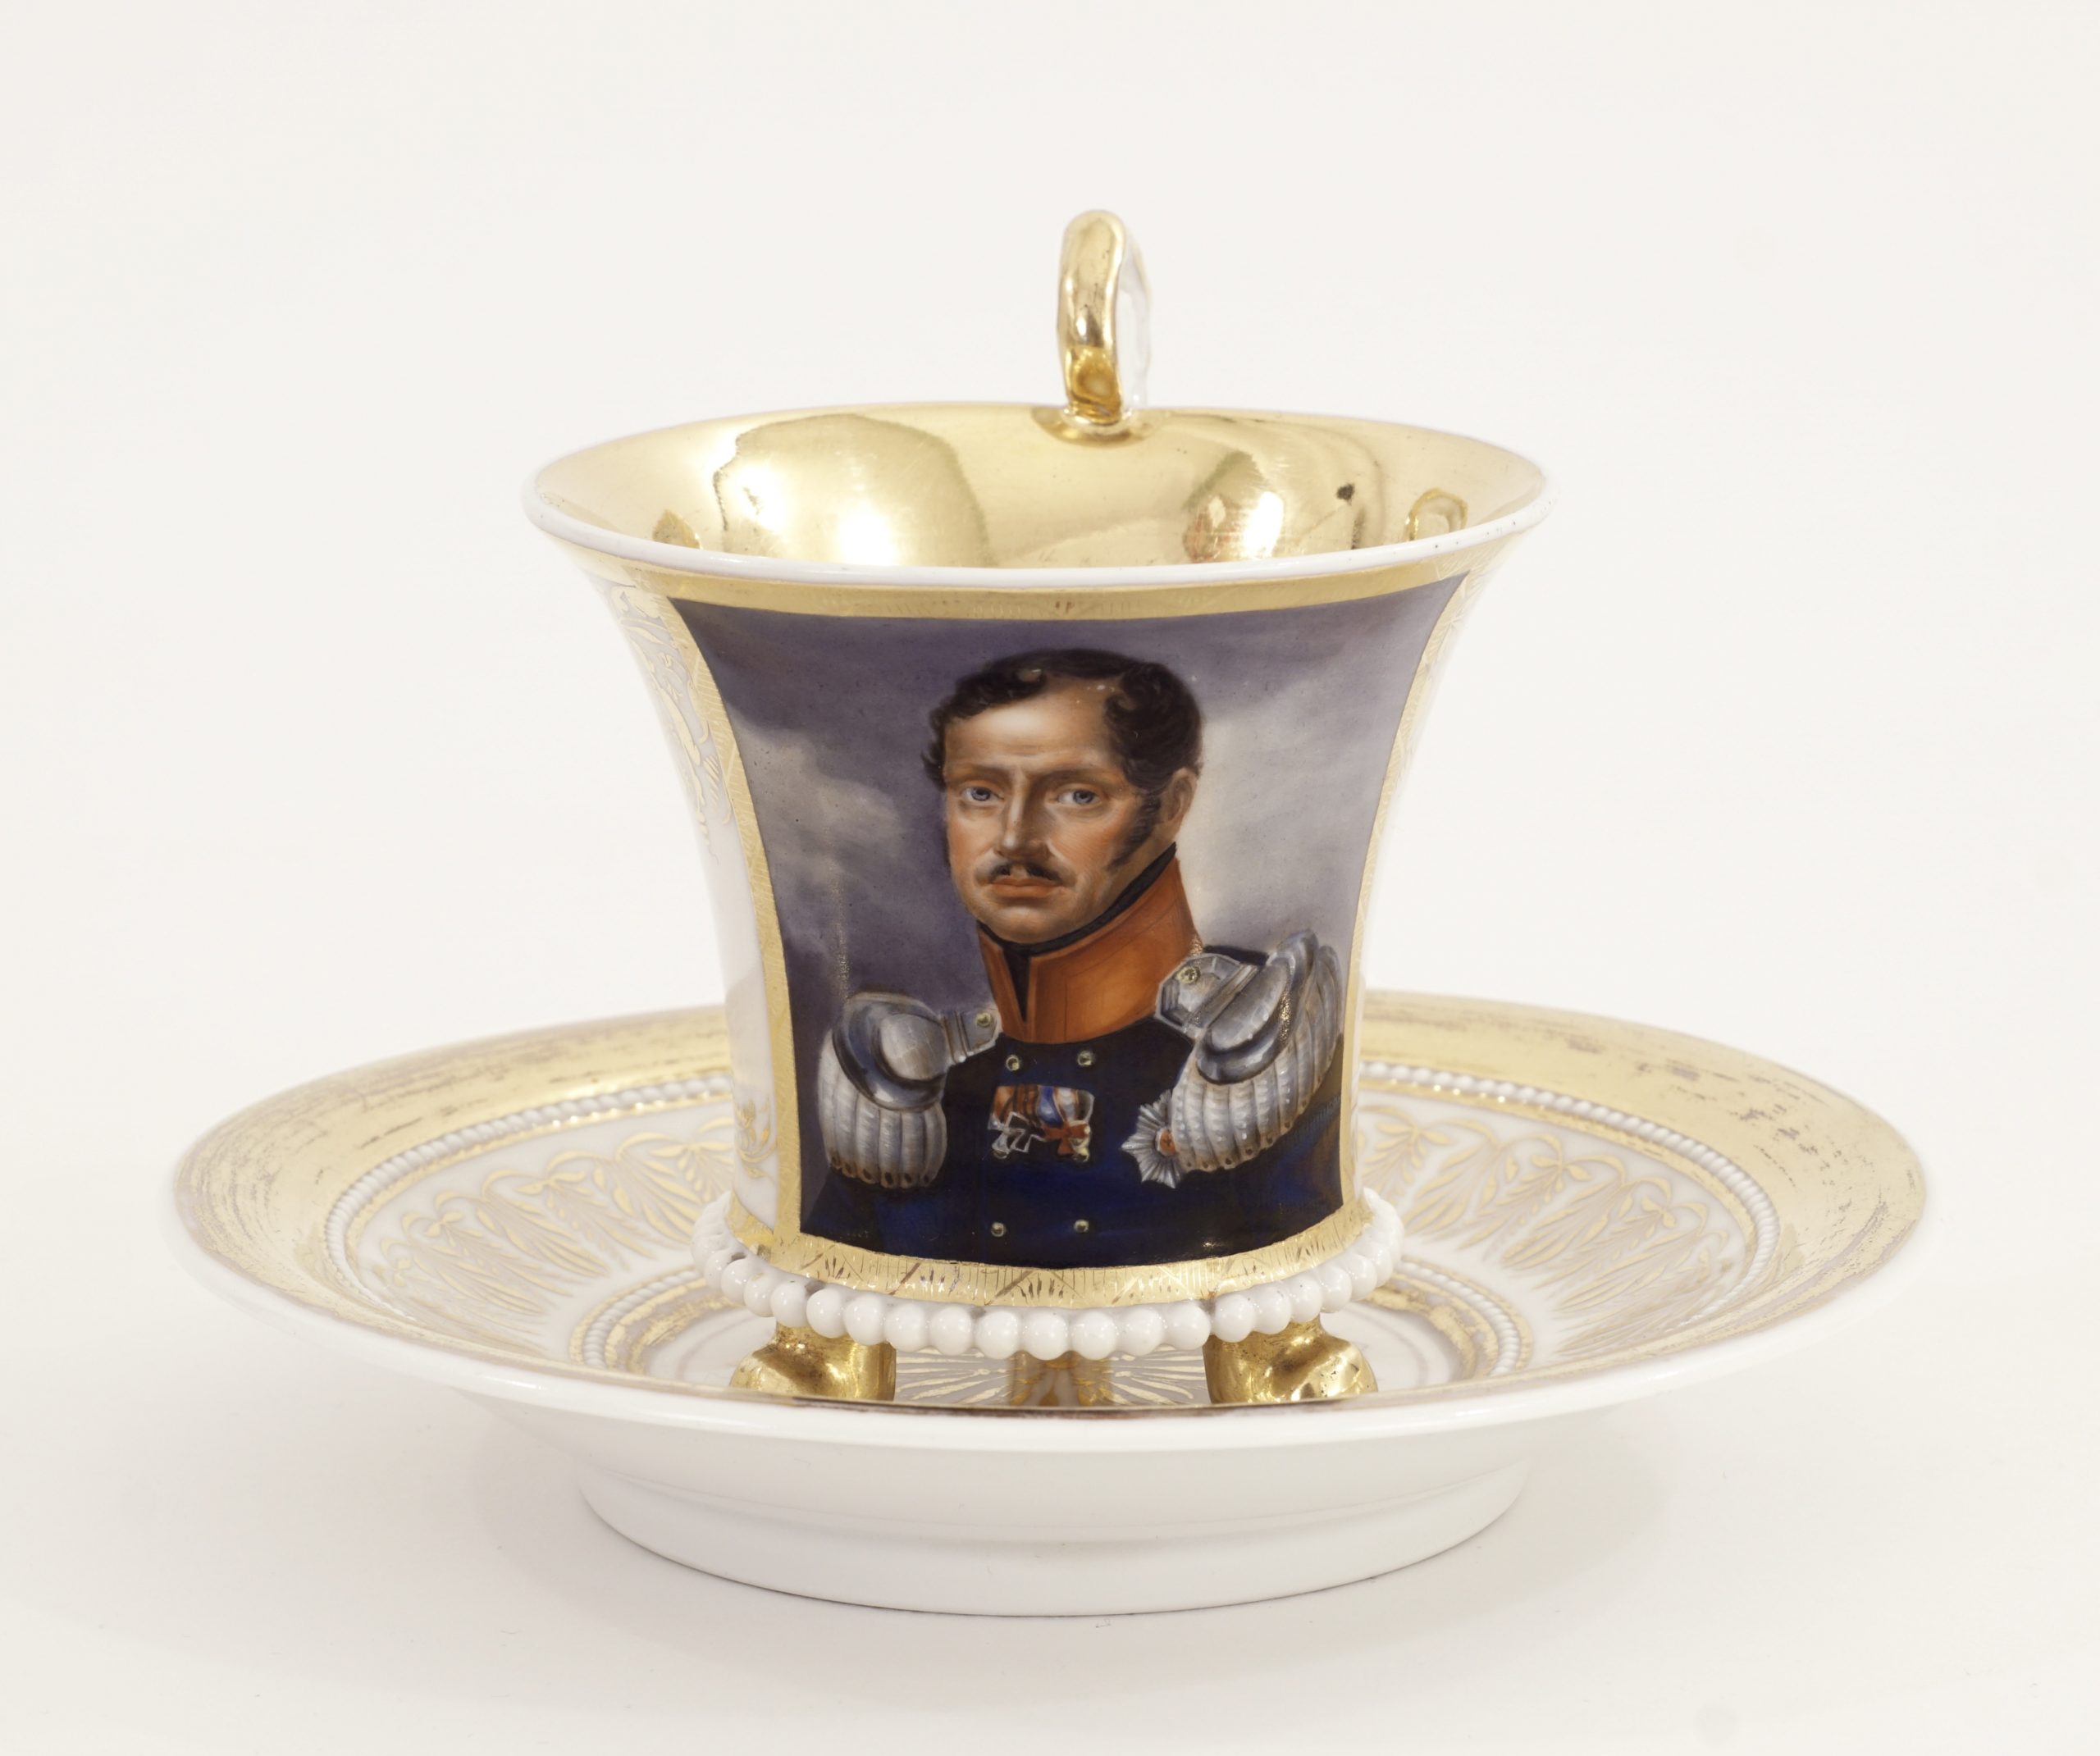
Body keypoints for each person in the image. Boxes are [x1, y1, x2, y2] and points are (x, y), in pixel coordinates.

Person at [804, 648, 1348, 1270]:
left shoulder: (1257, 1041)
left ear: (1172, 804)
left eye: (1075, 795)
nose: (1015, 838)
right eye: (980, 793)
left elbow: (1298, 1287)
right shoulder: (908, 1071)